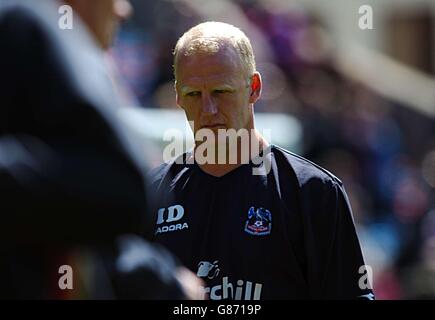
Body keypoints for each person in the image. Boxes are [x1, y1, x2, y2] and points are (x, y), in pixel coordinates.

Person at [150, 21, 375, 300]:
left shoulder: (313, 193)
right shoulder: (151, 195)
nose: (208, 109)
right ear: (178, 98)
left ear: (254, 88)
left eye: (222, 91)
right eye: (194, 94)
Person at [0, 0, 202, 299]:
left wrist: (158, 279)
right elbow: (119, 188)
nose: (123, 10)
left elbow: (68, 225)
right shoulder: (20, 22)